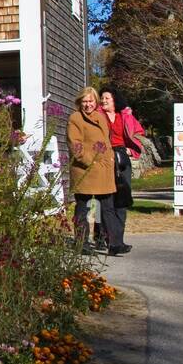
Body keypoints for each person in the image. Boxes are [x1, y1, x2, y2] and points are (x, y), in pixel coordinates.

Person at [67, 87, 127, 256]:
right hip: (85, 170)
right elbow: (75, 145)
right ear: (80, 102)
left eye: (91, 101)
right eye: (85, 101)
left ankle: (115, 243)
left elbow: (106, 142)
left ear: (95, 102)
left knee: (107, 208)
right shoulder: (75, 118)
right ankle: (82, 243)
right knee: (84, 208)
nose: (88, 105)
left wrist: (109, 160)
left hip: (103, 171)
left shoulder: (100, 117)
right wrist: (90, 162)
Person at [97, 88, 142, 251]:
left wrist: (132, 149)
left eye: (107, 98)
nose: (103, 100)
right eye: (102, 98)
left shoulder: (126, 116)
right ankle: (103, 237)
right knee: (105, 200)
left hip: (122, 158)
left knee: (121, 200)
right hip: (105, 158)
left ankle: (118, 239)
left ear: (115, 100)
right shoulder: (97, 115)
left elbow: (139, 134)